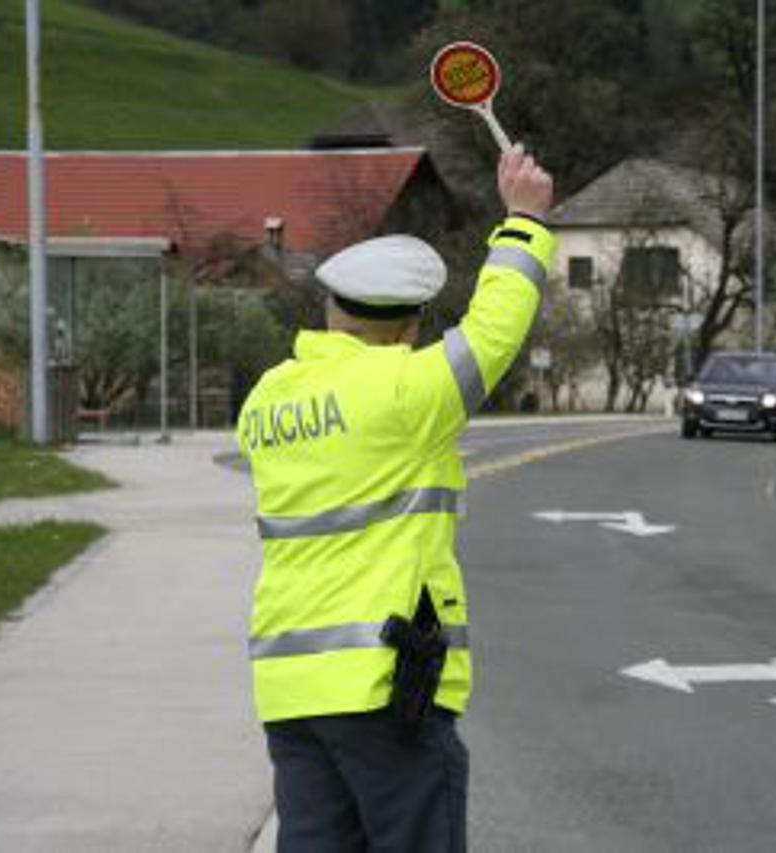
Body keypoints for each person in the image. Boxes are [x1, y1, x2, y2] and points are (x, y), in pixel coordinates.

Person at [236, 144, 555, 852]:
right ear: (411, 328)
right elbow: (495, 328)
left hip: (290, 688)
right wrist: (525, 221)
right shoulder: (406, 392)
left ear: (331, 309)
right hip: (384, 686)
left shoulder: (268, 398)